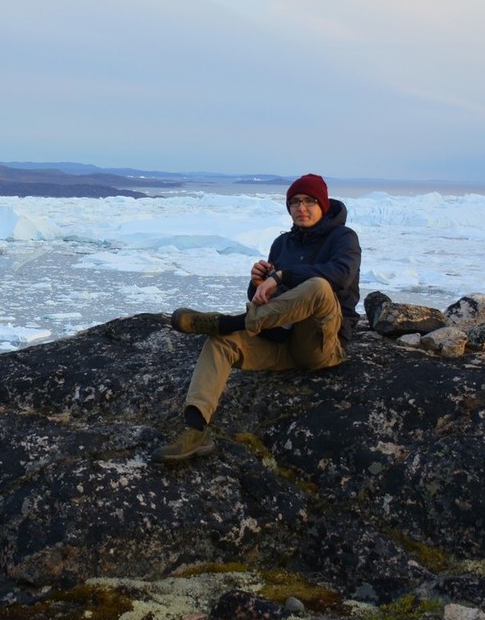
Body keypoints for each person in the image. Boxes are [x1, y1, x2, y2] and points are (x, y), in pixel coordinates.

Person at [154, 173, 361, 463]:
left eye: (309, 201)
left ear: (323, 205)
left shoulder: (344, 238)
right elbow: (265, 299)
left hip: (321, 344)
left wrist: (283, 275)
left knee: (319, 287)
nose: (302, 207)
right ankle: (195, 430)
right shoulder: (282, 243)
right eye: (295, 202)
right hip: (281, 342)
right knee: (220, 341)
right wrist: (257, 282)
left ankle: (230, 321)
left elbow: (341, 275)